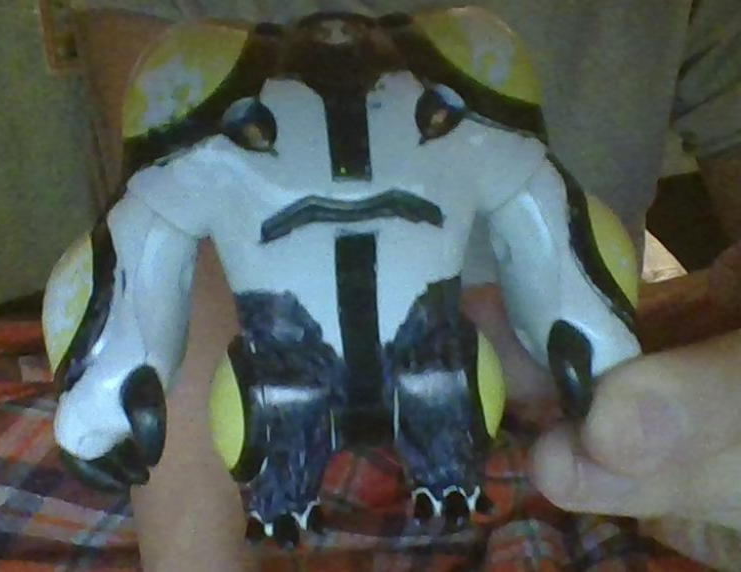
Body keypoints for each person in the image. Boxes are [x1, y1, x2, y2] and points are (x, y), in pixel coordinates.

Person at [73, 0, 741, 570]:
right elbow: (170, 249)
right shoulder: (200, 85)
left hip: (549, 405)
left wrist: (587, 328)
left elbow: (543, 211)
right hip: (246, 401)